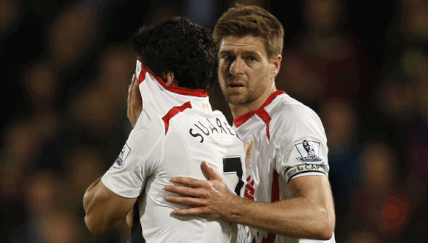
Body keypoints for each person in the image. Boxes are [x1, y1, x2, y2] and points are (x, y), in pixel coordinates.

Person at [160, 5, 336, 243]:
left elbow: (320, 218)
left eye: (250, 58)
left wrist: (229, 205)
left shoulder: (291, 118)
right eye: (227, 57)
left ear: (275, 65)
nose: (236, 69)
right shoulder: (229, 134)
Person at [83, 16, 246, 243]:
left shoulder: (160, 128)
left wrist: (137, 131)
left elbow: (97, 218)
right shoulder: (230, 131)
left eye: (140, 72)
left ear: (167, 78)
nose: (136, 83)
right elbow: (142, 221)